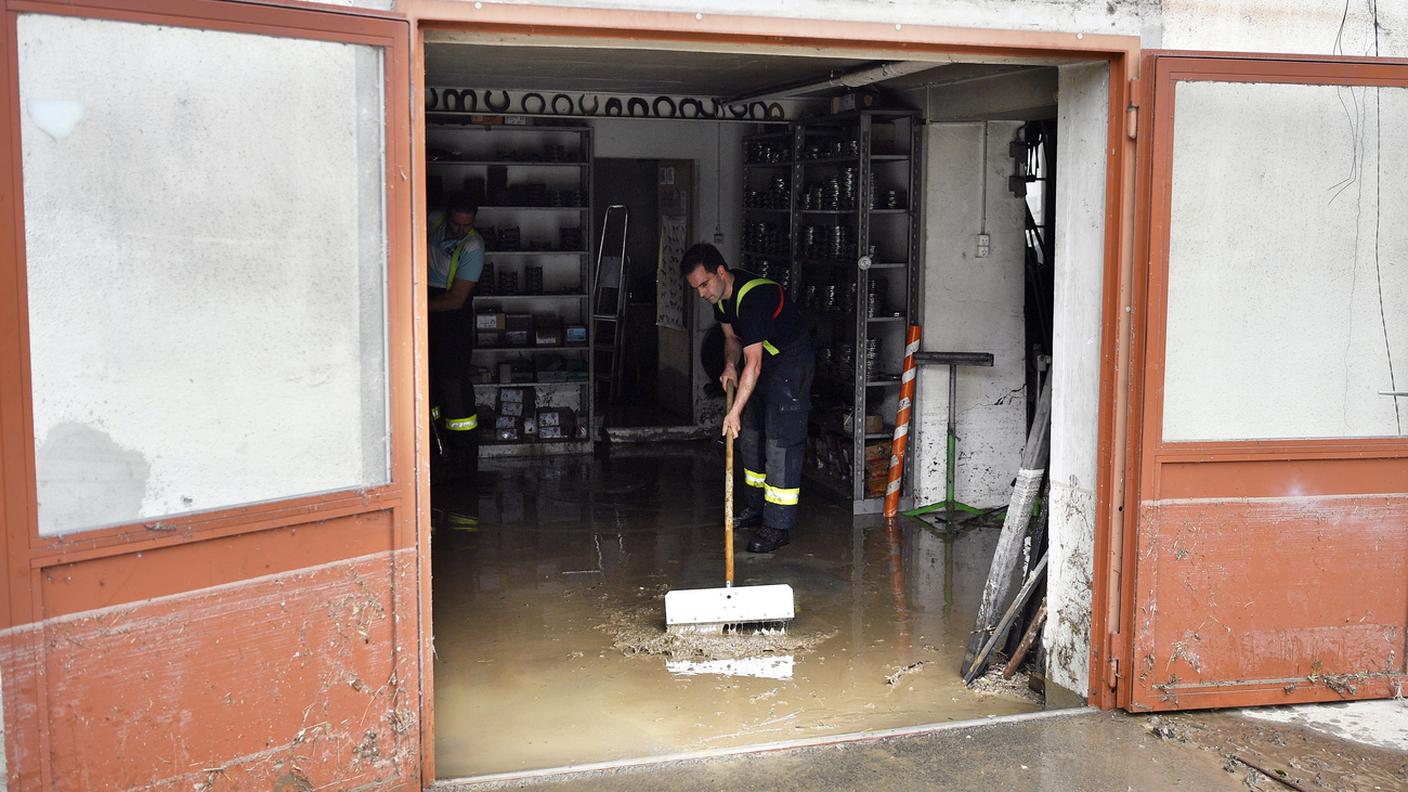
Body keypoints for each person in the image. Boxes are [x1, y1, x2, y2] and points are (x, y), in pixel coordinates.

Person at [681, 243, 814, 553]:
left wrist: (734, 411)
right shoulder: (721, 298)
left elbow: (752, 363)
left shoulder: (753, 299)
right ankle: (756, 509)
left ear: (721, 273)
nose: (702, 293)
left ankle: (778, 525)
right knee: (751, 437)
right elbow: (731, 339)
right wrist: (729, 365)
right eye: (695, 288)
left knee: (780, 442)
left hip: (790, 360)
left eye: (704, 284)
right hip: (764, 360)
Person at [428, 192, 485, 480]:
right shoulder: (432, 221)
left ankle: (464, 457)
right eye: (456, 225)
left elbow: (455, 300)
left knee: (453, 384)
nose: (461, 231)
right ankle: (435, 452)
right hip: (428, 305)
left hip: (452, 316)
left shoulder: (473, 246)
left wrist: (414, 307)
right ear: (447, 216)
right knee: (430, 383)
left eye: (467, 225)